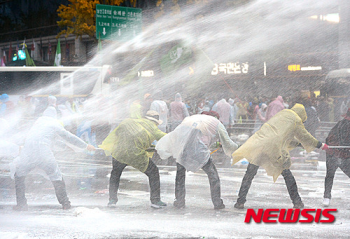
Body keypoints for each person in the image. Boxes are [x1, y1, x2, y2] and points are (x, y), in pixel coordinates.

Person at [231, 104, 328, 209]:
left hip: (260, 143)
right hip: (274, 147)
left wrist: (299, 144)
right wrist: (319, 144)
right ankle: (297, 201)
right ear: (302, 115)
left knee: (249, 174)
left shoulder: (283, 114)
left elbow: (282, 135)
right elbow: (304, 136)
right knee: (287, 174)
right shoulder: (295, 119)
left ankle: (240, 201)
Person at [12, 107, 96, 211]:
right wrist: (85, 146)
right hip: (44, 154)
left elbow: (49, 140)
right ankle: (65, 203)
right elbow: (68, 136)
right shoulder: (54, 123)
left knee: (19, 176)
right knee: (56, 177)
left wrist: (66, 147)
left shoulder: (37, 124)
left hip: (27, 155)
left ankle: (21, 204)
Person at [155, 111, 238, 210]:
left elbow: (179, 135)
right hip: (198, 151)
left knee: (180, 175)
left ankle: (179, 201)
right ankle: (217, 202)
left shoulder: (191, 120)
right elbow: (227, 142)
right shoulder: (215, 123)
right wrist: (238, 148)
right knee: (213, 175)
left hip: (182, 150)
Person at [99, 110, 167, 209]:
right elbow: (165, 138)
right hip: (136, 155)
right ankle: (155, 200)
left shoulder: (128, 122)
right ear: (155, 122)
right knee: (153, 172)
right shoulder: (152, 127)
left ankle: (112, 200)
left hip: (119, 152)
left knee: (115, 174)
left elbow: (117, 133)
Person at [322, 108, 350, 207]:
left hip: (335, 152)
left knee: (329, 175)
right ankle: (326, 197)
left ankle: (326, 197)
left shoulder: (340, 123)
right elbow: (343, 140)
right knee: (330, 174)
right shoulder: (345, 125)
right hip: (336, 152)